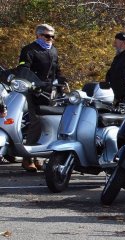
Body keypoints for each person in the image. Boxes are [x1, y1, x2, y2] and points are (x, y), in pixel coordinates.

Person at [18, 23, 64, 172]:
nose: (50, 38)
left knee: (48, 124)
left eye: (52, 36)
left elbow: (57, 69)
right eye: (47, 35)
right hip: (34, 92)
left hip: (50, 92)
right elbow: (23, 69)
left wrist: (62, 80)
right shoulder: (29, 50)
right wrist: (35, 84)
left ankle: (39, 157)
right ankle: (27, 158)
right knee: (36, 123)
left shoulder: (54, 50)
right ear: (38, 35)